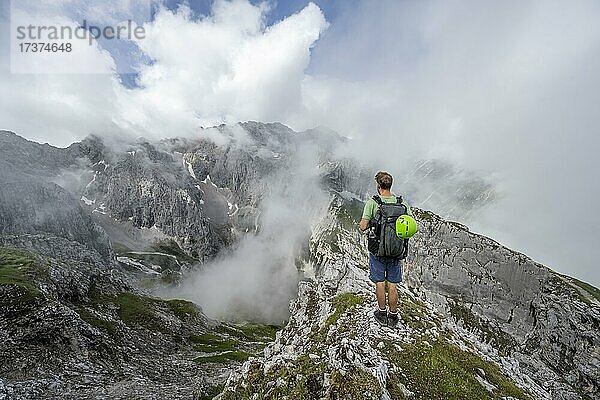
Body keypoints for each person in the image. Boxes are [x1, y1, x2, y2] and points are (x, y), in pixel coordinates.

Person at [359, 171, 412, 327]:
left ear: (378, 185)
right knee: (393, 284)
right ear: (390, 185)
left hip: (378, 251)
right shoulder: (402, 203)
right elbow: (410, 223)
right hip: (396, 250)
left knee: (380, 283)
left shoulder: (373, 203)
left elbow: (363, 226)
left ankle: (382, 313)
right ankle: (393, 316)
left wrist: (371, 224)